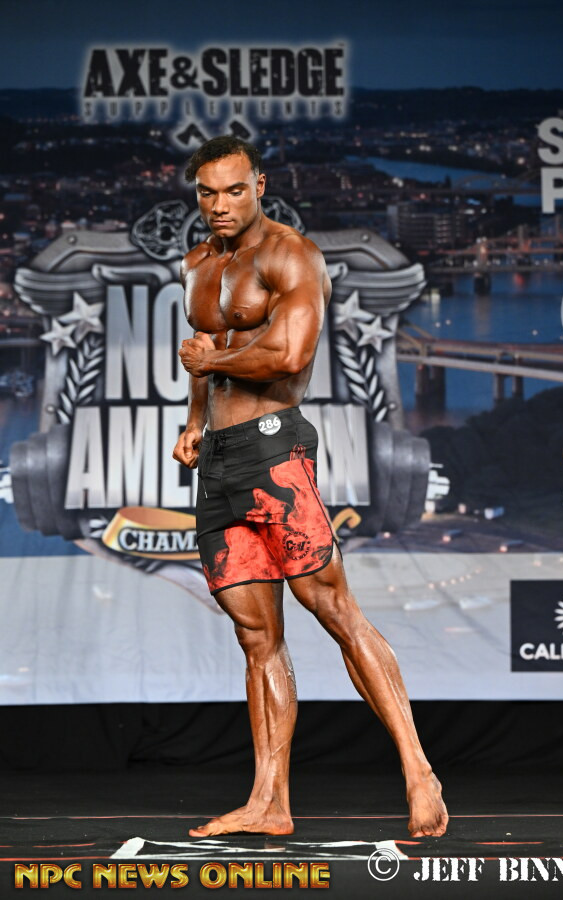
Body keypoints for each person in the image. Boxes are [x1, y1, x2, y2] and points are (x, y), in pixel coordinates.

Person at [173, 135, 448, 838]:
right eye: (208, 192)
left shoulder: (291, 255)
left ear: (259, 185)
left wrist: (213, 362)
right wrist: (195, 422)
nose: (221, 204)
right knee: (255, 635)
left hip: (275, 453)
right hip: (220, 464)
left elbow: (289, 355)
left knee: (332, 608)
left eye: (235, 190)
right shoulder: (197, 263)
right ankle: (270, 802)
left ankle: (420, 772)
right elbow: (207, 358)